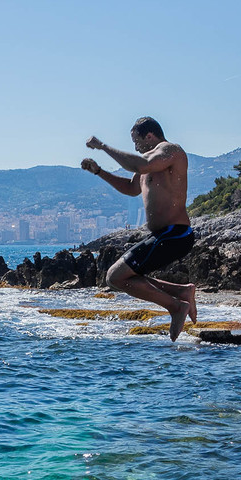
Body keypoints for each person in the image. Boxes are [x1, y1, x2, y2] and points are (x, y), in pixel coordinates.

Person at [81, 118, 196, 341]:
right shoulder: (149, 163)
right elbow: (132, 188)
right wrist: (98, 171)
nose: (135, 147)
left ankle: (175, 306)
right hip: (163, 235)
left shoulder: (170, 151)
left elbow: (141, 165)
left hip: (176, 233)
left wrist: (103, 147)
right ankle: (181, 292)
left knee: (115, 276)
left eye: (136, 141)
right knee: (120, 277)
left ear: (150, 136)